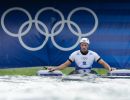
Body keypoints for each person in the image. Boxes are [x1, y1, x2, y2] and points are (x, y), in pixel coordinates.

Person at [48, 38, 113, 74]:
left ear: (88, 46)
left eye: (85, 45)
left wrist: (109, 68)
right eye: (82, 45)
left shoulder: (93, 54)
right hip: (77, 72)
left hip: (90, 72)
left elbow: (103, 63)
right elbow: (65, 65)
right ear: (80, 45)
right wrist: (55, 68)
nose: (84, 47)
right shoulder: (75, 54)